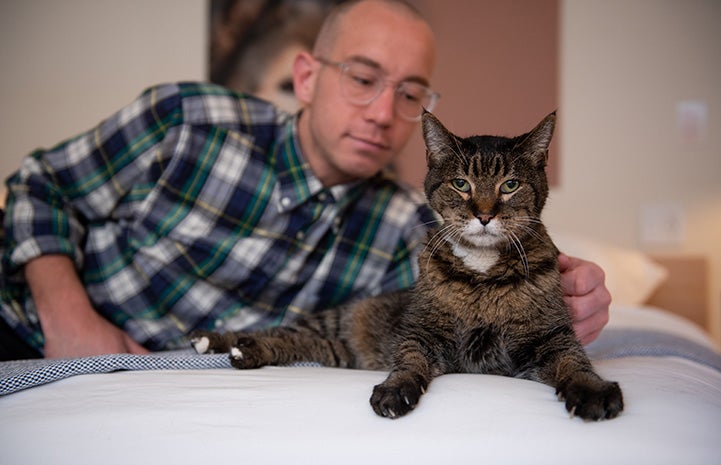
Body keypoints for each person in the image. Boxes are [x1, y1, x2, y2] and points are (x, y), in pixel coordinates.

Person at [0, 0, 610, 361]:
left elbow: (481, 281)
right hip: (24, 325)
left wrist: (568, 287)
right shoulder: (185, 120)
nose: (381, 112)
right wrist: (70, 320)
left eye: (410, 93)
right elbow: (40, 186)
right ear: (306, 78)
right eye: (362, 77)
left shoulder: (404, 227)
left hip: (170, 383)